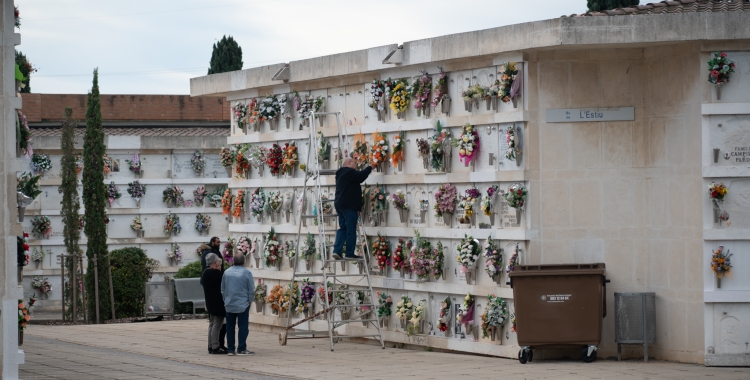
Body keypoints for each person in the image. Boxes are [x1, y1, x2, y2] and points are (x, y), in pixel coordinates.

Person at [332, 157, 377, 260]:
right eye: (355, 163)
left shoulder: (340, 173)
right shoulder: (349, 172)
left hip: (340, 205)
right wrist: (370, 167)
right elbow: (361, 176)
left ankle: (337, 250)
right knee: (351, 229)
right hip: (349, 205)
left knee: (342, 228)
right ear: (349, 162)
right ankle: (349, 253)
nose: (356, 166)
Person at [221, 253, 255, 356]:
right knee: (243, 327)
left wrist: (225, 300)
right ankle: (241, 348)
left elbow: (223, 289)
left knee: (230, 327)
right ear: (244, 261)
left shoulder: (226, 272)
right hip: (243, 304)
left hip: (229, 303)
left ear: (233, 261)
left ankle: (231, 349)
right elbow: (251, 289)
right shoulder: (246, 273)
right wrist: (250, 300)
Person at [199, 237, 226, 352]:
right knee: (217, 324)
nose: (220, 266)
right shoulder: (216, 274)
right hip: (217, 303)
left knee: (211, 323)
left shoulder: (205, 273)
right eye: (219, 264)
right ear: (215, 263)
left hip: (209, 302)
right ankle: (215, 346)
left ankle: (210, 346)